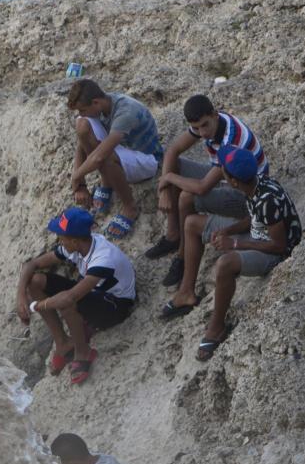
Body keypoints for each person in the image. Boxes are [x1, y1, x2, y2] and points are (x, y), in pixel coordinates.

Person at [164, 145, 302, 361]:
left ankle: (216, 327)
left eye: (224, 171)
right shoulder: (254, 185)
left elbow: (279, 246)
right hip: (258, 235)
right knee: (191, 224)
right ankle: (186, 292)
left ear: (233, 181)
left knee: (225, 264)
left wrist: (235, 245)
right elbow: (254, 218)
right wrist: (228, 230)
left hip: (272, 252)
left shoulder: (268, 199)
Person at [147, 94, 269, 292]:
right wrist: (165, 190)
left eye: (205, 125)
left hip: (245, 192)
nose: (201, 133)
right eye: (196, 128)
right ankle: (173, 235)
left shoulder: (232, 139)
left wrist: (167, 179)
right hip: (224, 177)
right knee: (174, 166)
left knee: (187, 195)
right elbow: (172, 150)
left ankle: (182, 256)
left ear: (214, 114)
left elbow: (203, 187)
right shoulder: (211, 124)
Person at [16, 207, 135, 385]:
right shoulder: (75, 247)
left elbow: (69, 298)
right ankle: (63, 343)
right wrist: (21, 297)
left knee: (66, 303)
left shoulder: (102, 258)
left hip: (115, 305)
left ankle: (83, 352)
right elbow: (31, 265)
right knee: (34, 282)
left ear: (73, 240)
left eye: (62, 237)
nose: (59, 240)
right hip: (94, 293)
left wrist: (35, 307)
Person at [67, 79, 162, 239]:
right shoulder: (103, 104)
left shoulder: (125, 112)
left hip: (147, 158)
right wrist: (80, 183)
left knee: (106, 157)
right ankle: (107, 180)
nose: (80, 113)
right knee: (82, 125)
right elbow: (81, 142)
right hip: (121, 146)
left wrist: (76, 177)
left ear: (95, 102)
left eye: (82, 109)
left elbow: (99, 157)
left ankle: (130, 207)